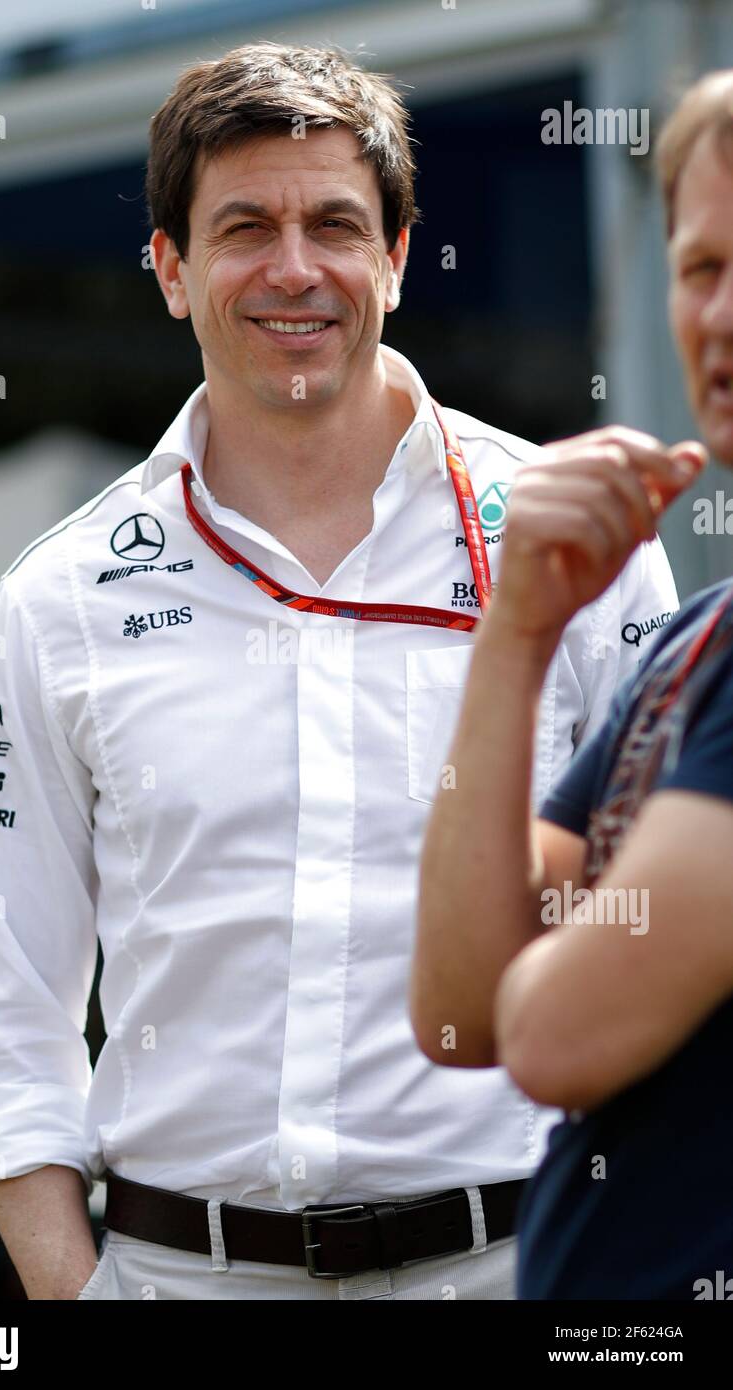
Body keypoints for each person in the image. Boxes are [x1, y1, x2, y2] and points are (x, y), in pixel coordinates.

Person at [0, 42, 677, 1302]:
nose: (294, 269)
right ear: (172, 271)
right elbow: (11, 1026)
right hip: (180, 1278)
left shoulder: (574, 546)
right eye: (243, 227)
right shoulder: (57, 599)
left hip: (518, 1267)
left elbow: (659, 947)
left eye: (333, 223)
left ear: (394, 257)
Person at [410, 68, 733, 1300]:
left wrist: (568, 940)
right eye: (699, 268)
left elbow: (549, 1032)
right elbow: (455, 1010)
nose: (719, 312)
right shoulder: (691, 640)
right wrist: (516, 630)